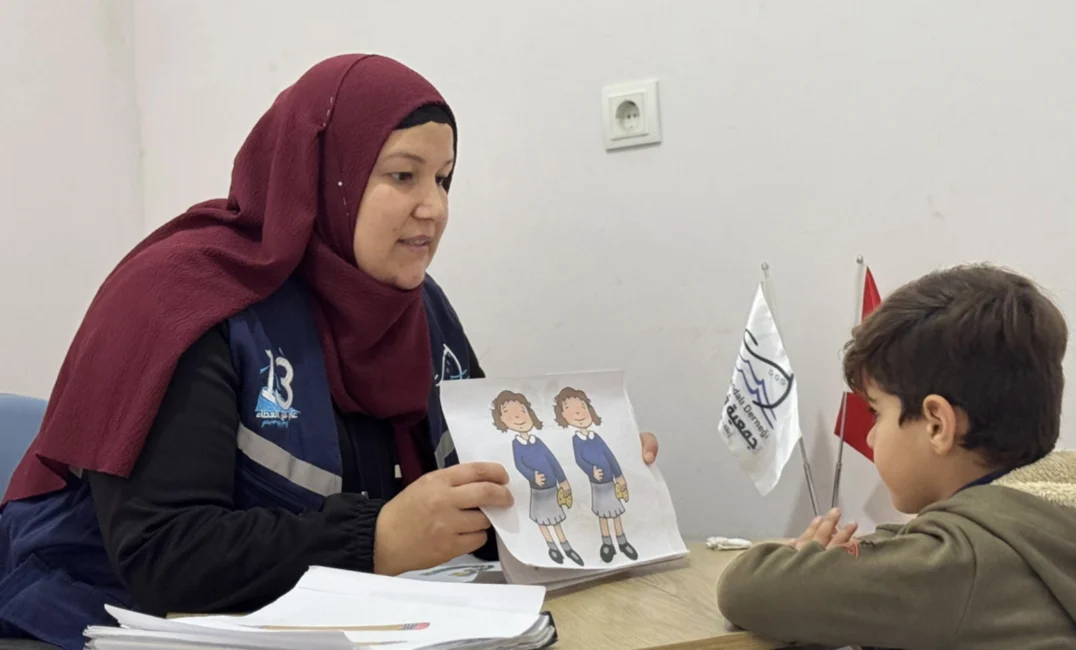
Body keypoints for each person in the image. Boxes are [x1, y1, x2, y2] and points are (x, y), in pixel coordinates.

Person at [0, 54, 659, 650]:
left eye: (444, 179)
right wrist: (377, 539)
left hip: (318, 619)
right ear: (323, 175)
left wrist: (574, 477)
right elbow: (164, 553)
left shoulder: (417, 307)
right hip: (97, 612)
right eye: (403, 175)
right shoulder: (184, 303)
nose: (433, 207)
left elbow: (466, 494)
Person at [717, 263, 1076, 649]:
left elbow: (747, 589)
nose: (870, 437)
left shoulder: (961, 564)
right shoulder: (1060, 534)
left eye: (876, 412)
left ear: (936, 424)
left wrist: (805, 563)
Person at [490, 390, 583, 566]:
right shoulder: (517, 445)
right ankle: (552, 547)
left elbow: (553, 461)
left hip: (552, 488)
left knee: (556, 519)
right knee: (542, 520)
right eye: (509, 413)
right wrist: (533, 476)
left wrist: (562, 480)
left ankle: (566, 547)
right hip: (538, 491)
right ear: (502, 420)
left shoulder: (538, 442)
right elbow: (519, 465)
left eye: (522, 411)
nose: (518, 417)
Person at [554, 387, 637, 563]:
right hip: (598, 485)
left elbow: (610, 456)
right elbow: (579, 460)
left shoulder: (597, 438)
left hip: (610, 482)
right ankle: (607, 543)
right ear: (563, 416)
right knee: (602, 514)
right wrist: (591, 471)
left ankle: (622, 541)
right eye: (570, 409)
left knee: (616, 512)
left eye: (582, 407)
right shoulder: (577, 440)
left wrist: (619, 476)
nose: (578, 413)